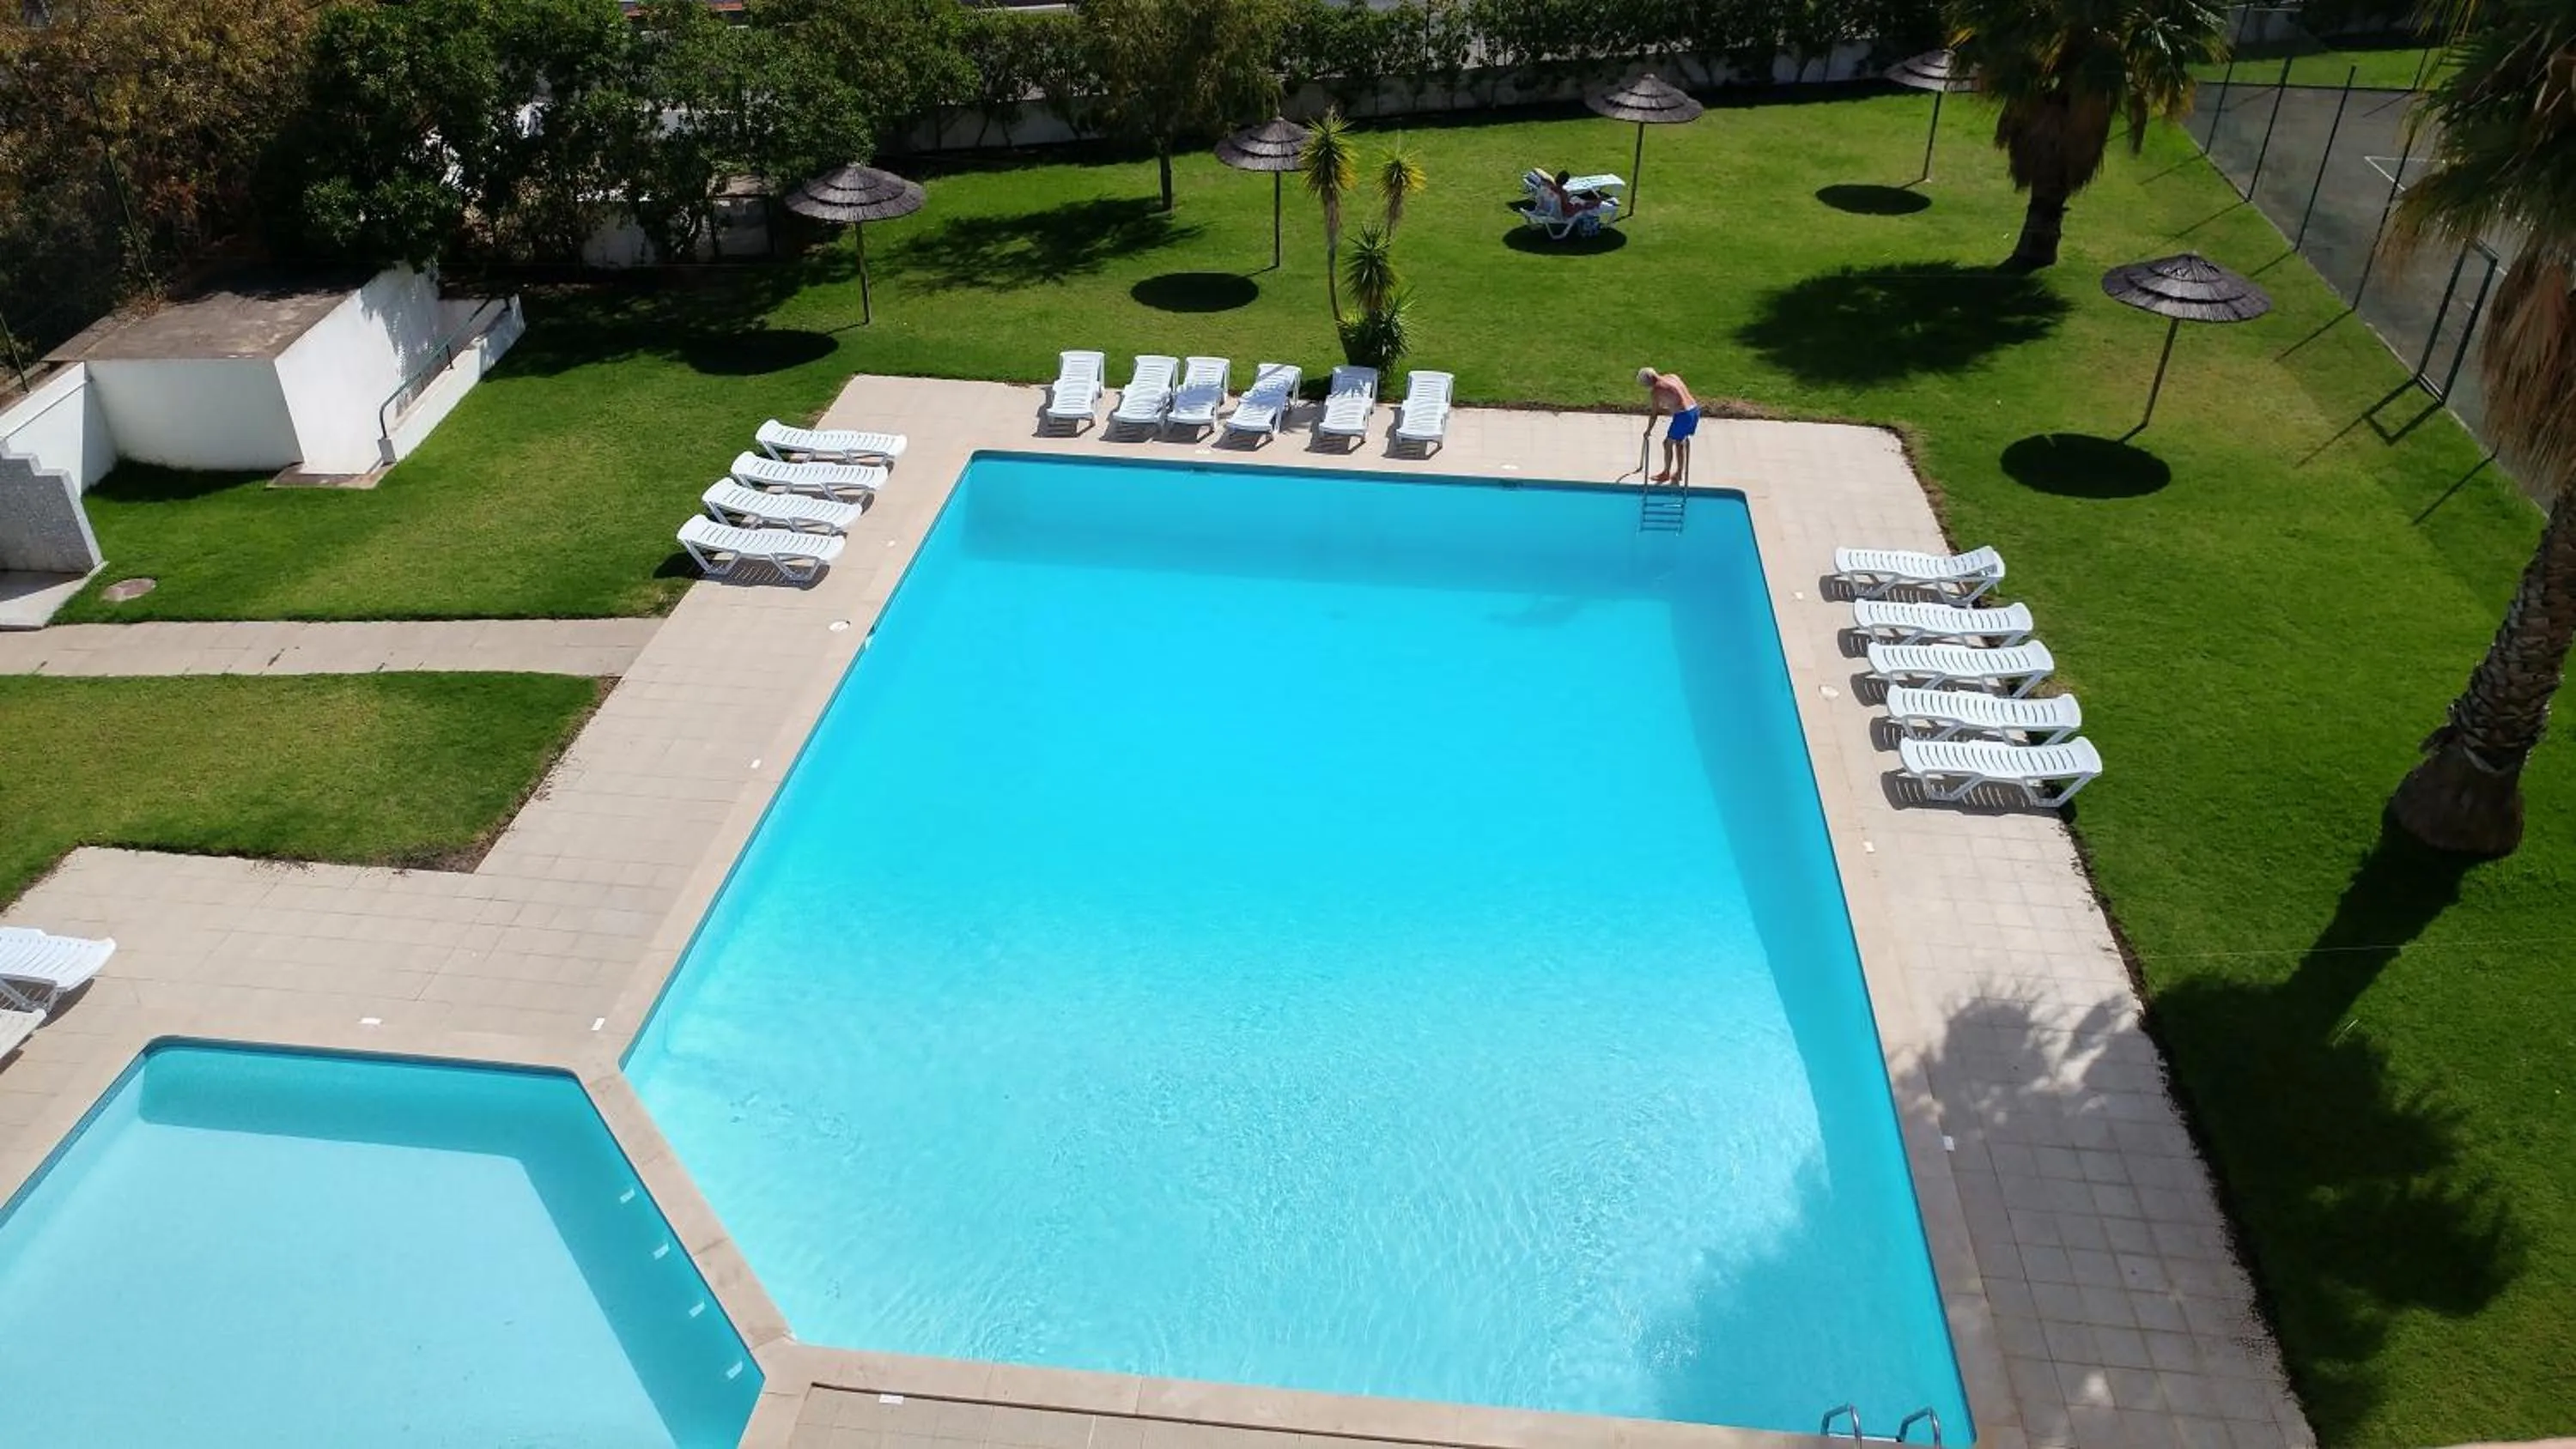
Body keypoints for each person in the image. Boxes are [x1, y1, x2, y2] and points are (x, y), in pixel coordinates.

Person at [1637, 367, 1698, 483]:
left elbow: (1654, 414)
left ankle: (1666, 473)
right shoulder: (1672, 376)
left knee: (1667, 443)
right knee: (1680, 443)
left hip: (1683, 416)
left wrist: (1648, 431)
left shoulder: (1656, 390)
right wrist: (1670, 409)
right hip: (1694, 410)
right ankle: (1679, 473)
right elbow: (1678, 398)